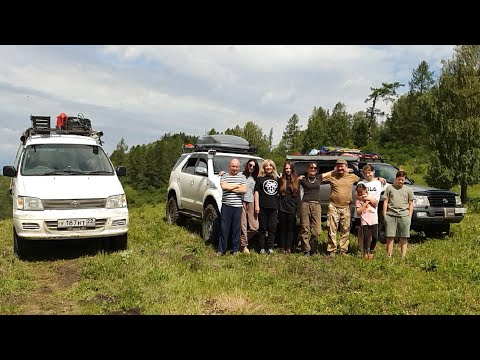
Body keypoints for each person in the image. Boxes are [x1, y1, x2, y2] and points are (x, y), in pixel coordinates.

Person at [322, 159, 360, 257]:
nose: (340, 168)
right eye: (338, 166)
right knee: (331, 228)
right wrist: (332, 171)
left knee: (345, 229)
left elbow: (365, 179)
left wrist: (379, 179)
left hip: (346, 207)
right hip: (333, 206)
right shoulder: (332, 176)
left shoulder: (352, 177)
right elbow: (319, 177)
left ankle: (343, 249)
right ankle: (332, 250)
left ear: (346, 167)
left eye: (342, 166)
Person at [355, 164, 388, 256]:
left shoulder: (379, 183)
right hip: (362, 211)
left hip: (373, 213)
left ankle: (369, 249)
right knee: (361, 232)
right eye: (365, 173)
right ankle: (361, 249)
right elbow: (357, 195)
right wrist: (369, 198)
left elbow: (390, 187)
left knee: (372, 234)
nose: (367, 175)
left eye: (369, 172)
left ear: (373, 172)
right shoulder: (361, 183)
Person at [217, 158, 247, 256]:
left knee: (236, 229)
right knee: (224, 228)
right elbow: (224, 187)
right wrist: (237, 186)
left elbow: (244, 190)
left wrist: (231, 187)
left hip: (237, 207)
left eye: (236, 166)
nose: (235, 168)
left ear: (239, 167)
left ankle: (235, 250)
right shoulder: (224, 176)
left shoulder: (242, 177)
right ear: (229, 166)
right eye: (233, 166)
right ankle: (221, 250)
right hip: (226, 206)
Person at [382, 170, 414, 258]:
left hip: (404, 215)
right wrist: (385, 214)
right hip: (391, 215)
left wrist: (409, 216)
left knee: (404, 237)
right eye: (399, 179)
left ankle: (403, 256)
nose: (401, 182)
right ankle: (389, 255)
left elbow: (411, 203)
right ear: (396, 179)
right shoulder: (389, 188)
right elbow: (385, 201)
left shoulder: (408, 189)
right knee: (390, 236)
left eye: (403, 180)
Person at [254, 159, 279, 254]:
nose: (268, 167)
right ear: (264, 168)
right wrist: (257, 205)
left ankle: (270, 247)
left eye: (270, 166)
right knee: (262, 228)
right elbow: (256, 192)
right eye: (266, 166)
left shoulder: (277, 179)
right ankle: (262, 247)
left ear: (273, 167)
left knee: (272, 228)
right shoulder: (260, 179)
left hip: (273, 207)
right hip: (262, 207)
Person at [298, 162, 323, 256]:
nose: (313, 169)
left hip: (316, 205)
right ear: (308, 169)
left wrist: (341, 169)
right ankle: (306, 250)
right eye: (311, 167)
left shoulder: (319, 178)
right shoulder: (303, 179)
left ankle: (313, 249)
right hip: (305, 204)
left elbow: (331, 174)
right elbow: (292, 182)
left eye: (315, 168)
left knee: (316, 230)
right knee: (304, 227)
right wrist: (297, 178)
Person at [278, 161, 301, 254]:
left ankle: (289, 247)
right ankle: (282, 247)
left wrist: (298, 209)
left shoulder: (296, 180)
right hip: (282, 207)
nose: (288, 170)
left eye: (289, 168)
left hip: (292, 208)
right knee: (283, 229)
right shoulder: (281, 180)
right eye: (286, 168)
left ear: (292, 169)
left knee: (291, 229)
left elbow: (298, 196)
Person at [240, 159, 259, 254]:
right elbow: (231, 175)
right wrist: (223, 173)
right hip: (241, 201)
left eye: (254, 166)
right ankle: (244, 246)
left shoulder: (256, 178)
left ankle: (238, 240)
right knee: (243, 225)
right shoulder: (241, 175)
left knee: (255, 227)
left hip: (251, 202)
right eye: (250, 165)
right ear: (247, 165)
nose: (252, 167)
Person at [355, 183, 378, 259]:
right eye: (358, 192)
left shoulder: (371, 197)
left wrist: (369, 199)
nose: (360, 194)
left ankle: (371, 250)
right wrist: (365, 204)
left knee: (375, 236)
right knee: (366, 236)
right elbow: (358, 211)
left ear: (365, 190)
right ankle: (365, 252)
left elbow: (376, 203)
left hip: (373, 218)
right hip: (364, 219)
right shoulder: (358, 201)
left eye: (361, 192)